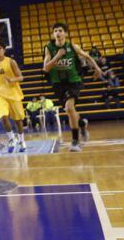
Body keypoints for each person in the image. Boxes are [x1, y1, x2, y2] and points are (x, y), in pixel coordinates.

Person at [42, 22, 103, 152]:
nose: (57, 33)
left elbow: (87, 56)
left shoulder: (72, 46)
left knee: (69, 108)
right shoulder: (49, 48)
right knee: (70, 111)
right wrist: (57, 56)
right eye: (55, 31)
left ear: (65, 33)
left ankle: (75, 141)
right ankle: (82, 124)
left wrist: (97, 68)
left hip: (73, 81)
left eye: (60, 30)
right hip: (58, 84)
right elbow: (45, 68)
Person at [0, 42, 26, 154]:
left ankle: (21, 141)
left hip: (13, 93)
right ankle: (11, 139)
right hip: (0, 94)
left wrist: (12, 80)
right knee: (3, 117)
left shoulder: (11, 61)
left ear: (4, 50)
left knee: (18, 120)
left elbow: (21, 77)